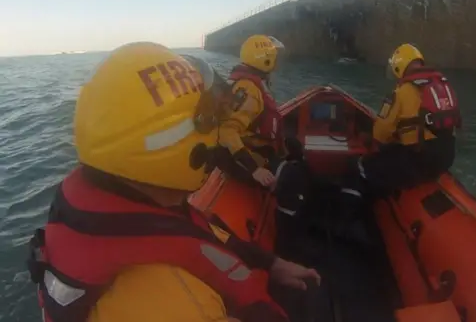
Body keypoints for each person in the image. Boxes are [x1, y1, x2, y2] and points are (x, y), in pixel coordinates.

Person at [25, 42, 319, 322]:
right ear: (178, 147)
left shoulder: (119, 199)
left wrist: (271, 264)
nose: (215, 128)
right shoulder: (177, 303)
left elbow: (205, 233)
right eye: (208, 118)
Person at [336, 43, 461, 235]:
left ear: (398, 67)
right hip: (446, 158)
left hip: (418, 160)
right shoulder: (441, 85)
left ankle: (347, 224)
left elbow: (381, 133)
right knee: (391, 158)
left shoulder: (402, 92)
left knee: (358, 167)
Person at [207, 35, 311, 259]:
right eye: (274, 57)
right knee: (292, 178)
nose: (277, 61)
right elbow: (227, 131)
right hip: (239, 157)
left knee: (296, 153)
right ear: (264, 60)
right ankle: (287, 243)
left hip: (255, 147)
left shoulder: (253, 84)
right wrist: (254, 168)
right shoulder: (250, 90)